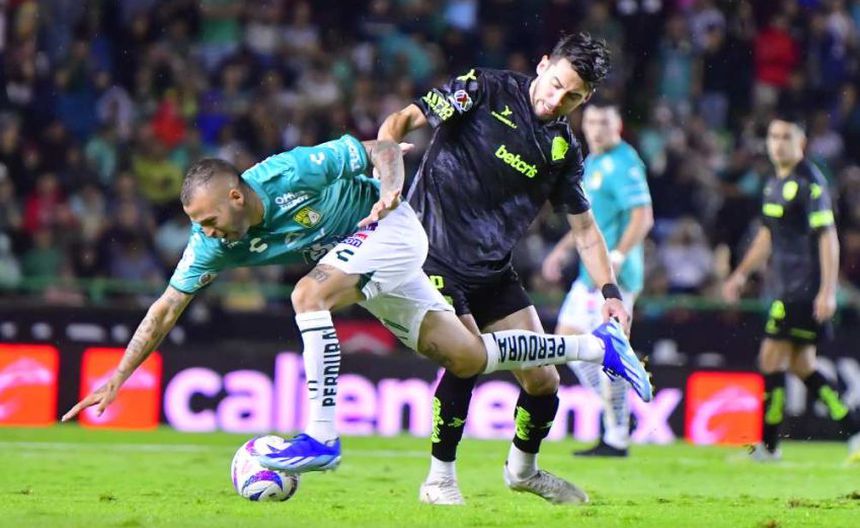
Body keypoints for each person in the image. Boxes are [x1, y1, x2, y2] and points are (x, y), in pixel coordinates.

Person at [62, 133, 651, 474]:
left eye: (210, 219)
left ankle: (321, 437)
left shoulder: (288, 172)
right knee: (467, 357)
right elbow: (166, 307)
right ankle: (596, 347)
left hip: (391, 227)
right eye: (198, 224)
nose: (206, 232)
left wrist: (390, 189)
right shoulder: (209, 245)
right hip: (360, 265)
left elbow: (383, 147)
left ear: (237, 196)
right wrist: (119, 376)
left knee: (306, 293)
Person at [378, 33, 648, 505]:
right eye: (557, 84)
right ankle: (439, 479)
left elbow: (586, 231)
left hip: (492, 270)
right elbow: (401, 121)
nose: (556, 101)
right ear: (543, 64)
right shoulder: (482, 89)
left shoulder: (563, 150)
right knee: (465, 357)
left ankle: (523, 471)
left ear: (587, 98)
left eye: (572, 97)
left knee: (544, 382)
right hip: (432, 254)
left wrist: (610, 293)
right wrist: (387, 171)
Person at [722, 117, 860, 462]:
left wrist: (827, 290)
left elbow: (828, 236)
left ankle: (769, 447)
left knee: (770, 358)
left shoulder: (810, 181)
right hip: (784, 286)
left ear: (801, 143)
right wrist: (740, 274)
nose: (778, 143)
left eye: (786, 137)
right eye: (773, 136)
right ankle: (854, 430)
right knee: (802, 364)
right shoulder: (773, 182)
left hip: (803, 288)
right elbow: (767, 235)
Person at [542, 104, 653, 457]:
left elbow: (643, 216)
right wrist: (562, 250)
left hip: (614, 279)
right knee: (568, 341)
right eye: (591, 122)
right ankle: (618, 414)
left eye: (604, 122)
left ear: (618, 125)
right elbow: (587, 222)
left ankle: (617, 435)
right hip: (588, 275)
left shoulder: (624, 162)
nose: (596, 129)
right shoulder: (592, 162)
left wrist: (618, 255)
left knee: (607, 353)